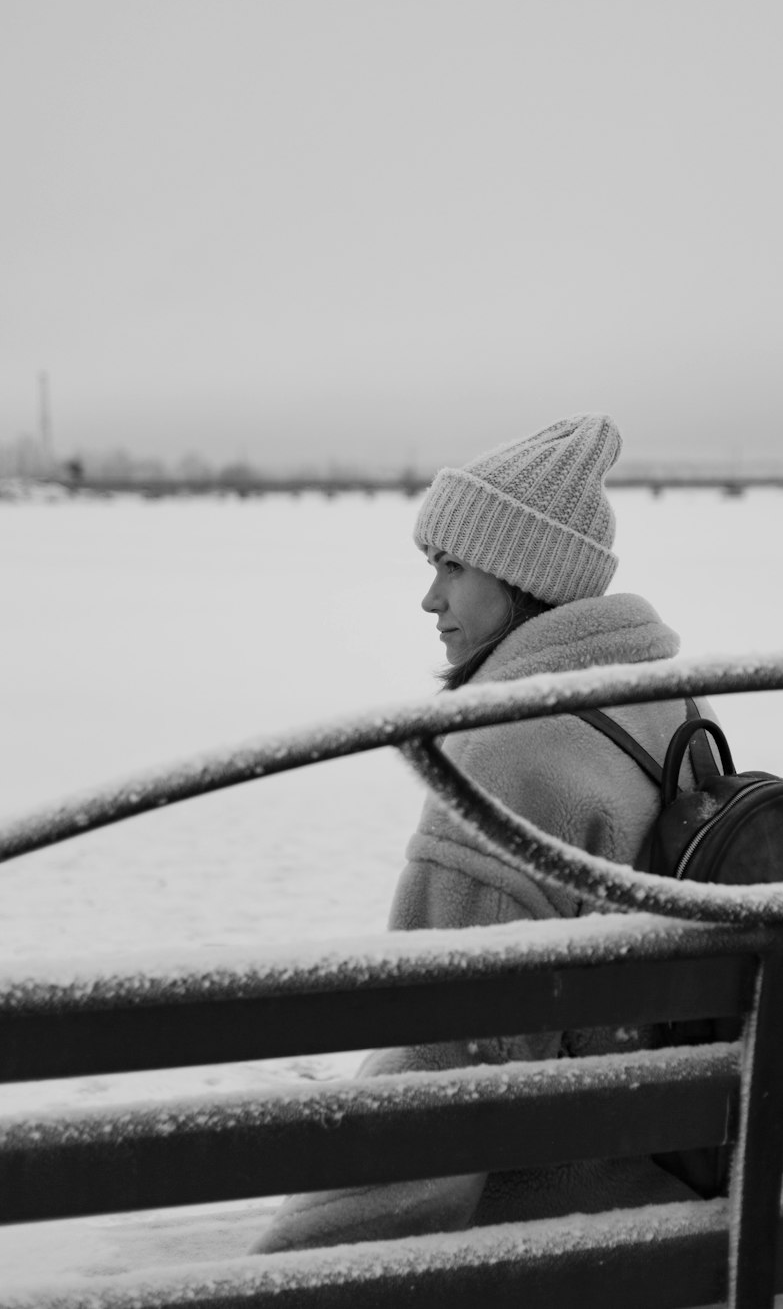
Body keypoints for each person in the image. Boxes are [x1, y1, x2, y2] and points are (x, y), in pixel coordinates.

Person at [254, 413, 715, 1253]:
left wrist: (295, 1264)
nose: (430, 598)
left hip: (580, 1207)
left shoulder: (507, 756)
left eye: (452, 566)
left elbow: (442, 1071)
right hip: (712, 1159)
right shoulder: (678, 705)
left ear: (521, 574)